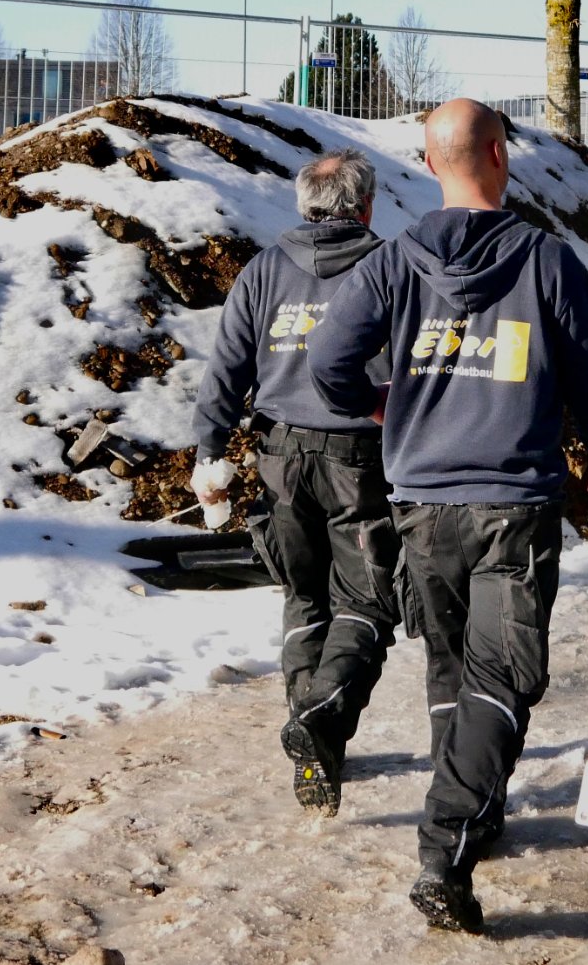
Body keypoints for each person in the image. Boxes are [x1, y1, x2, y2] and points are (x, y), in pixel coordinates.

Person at [307, 98, 588, 934]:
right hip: (512, 505)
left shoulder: (395, 260)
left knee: (455, 669)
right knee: (505, 677)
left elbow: (326, 359)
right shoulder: (546, 260)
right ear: (498, 154)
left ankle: (471, 813)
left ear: (429, 162)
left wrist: (380, 404)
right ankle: (447, 845)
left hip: (421, 504)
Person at [189, 147, 398, 818]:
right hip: (360, 459)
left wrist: (209, 450)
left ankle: (310, 728)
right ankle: (323, 718)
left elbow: (225, 368)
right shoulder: (391, 267)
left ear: (303, 204)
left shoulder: (265, 269)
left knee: (304, 593)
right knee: (366, 601)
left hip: (279, 455)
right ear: (365, 206)